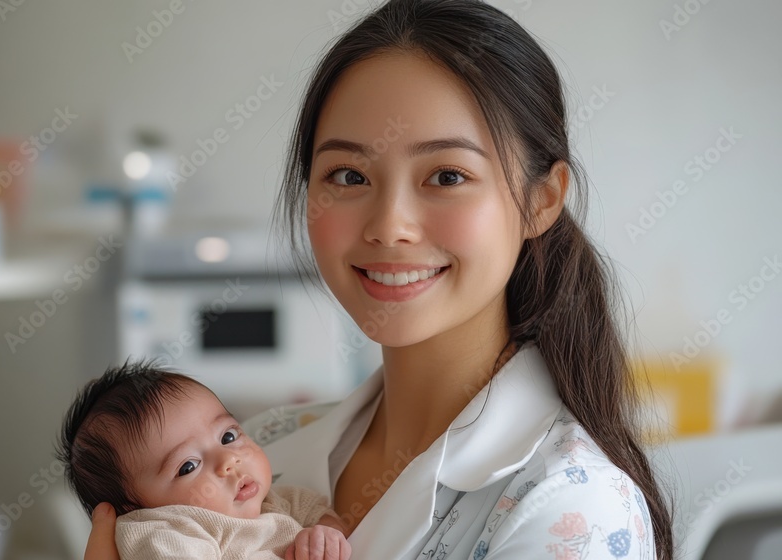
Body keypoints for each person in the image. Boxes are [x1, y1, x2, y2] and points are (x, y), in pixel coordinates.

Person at [84, 0, 673, 558]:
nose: (389, 226)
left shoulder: (572, 509)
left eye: (446, 176)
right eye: (347, 174)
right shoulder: (270, 445)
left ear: (540, 200)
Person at [57, 359, 352, 560]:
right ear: (133, 509)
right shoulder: (164, 531)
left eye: (228, 437)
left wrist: (325, 536)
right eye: (188, 466)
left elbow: (318, 511)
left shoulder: (279, 500)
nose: (228, 461)